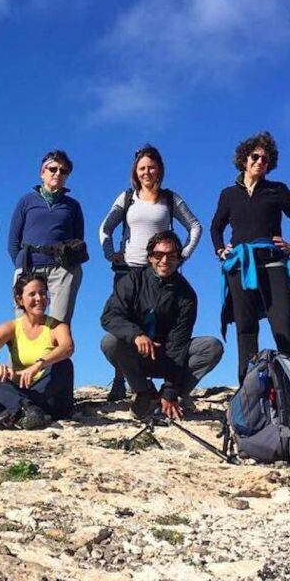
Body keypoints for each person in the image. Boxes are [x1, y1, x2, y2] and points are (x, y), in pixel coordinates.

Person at [98, 145, 202, 401]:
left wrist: (183, 254)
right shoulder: (126, 198)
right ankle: (121, 382)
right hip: (129, 269)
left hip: (162, 268)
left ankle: (169, 386)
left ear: (159, 170)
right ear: (135, 171)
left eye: (151, 167)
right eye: (142, 168)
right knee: (125, 326)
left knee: (163, 325)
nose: (146, 172)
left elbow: (195, 226)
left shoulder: (170, 199)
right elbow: (105, 227)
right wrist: (110, 253)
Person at [211, 131, 290, 382]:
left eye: (265, 159)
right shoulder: (228, 194)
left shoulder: (277, 190)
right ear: (244, 159)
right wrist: (220, 250)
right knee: (245, 327)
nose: (260, 162)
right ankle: (248, 387)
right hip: (240, 266)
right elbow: (216, 226)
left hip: (273, 263)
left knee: (283, 323)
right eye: (255, 157)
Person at [100, 231, 224, 420]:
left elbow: (179, 343)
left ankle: (169, 398)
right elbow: (109, 316)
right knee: (110, 342)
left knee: (211, 347)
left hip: (168, 357)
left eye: (171, 256)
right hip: (137, 354)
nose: (164, 261)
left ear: (179, 259)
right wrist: (136, 334)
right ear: (150, 257)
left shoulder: (186, 295)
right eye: (159, 255)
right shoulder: (132, 281)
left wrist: (170, 389)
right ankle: (144, 392)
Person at [0, 271, 76, 430]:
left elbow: (67, 347)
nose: (39, 298)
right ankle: (25, 409)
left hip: (48, 397)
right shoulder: (11, 327)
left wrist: (38, 365)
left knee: (64, 365)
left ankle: (16, 412)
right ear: (20, 300)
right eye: (32, 294)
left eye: (43, 293)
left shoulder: (57, 326)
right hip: (19, 393)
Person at [6, 150, 85, 324]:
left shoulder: (73, 206)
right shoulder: (26, 201)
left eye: (63, 171)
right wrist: (20, 264)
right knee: (25, 324)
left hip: (62, 268)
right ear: (42, 173)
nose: (58, 173)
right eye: (53, 169)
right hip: (29, 266)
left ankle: (56, 342)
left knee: (58, 324)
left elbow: (78, 240)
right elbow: (13, 240)